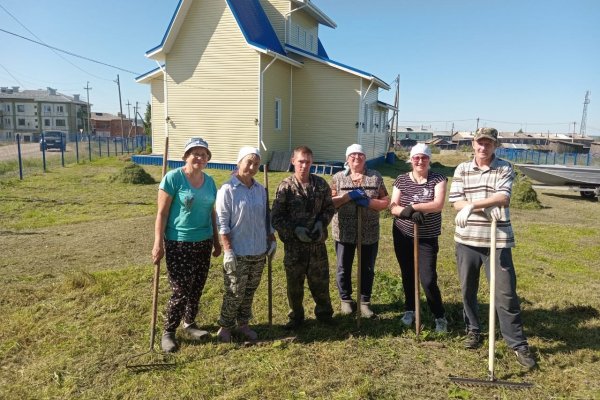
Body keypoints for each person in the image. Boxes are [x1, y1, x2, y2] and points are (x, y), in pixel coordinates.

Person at [449, 127, 536, 369]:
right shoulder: (462, 169)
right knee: (468, 289)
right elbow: (456, 201)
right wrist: (474, 207)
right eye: (479, 143)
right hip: (467, 239)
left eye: (488, 143)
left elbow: (503, 197)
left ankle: (517, 344)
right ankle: (473, 330)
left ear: (495, 145)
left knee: (505, 293)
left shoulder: (505, 167)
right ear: (473, 144)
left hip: (497, 240)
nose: (483, 147)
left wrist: (473, 204)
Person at [152, 137, 222, 353]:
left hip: (203, 241)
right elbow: (162, 214)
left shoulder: (209, 181)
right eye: (195, 153)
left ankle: (189, 323)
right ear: (186, 156)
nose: (199, 157)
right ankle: (168, 331)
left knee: (197, 286)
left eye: (203, 154)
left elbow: (213, 212)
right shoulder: (173, 178)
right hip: (178, 241)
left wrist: (216, 240)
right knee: (180, 289)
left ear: (208, 158)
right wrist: (158, 244)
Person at [215, 147, 276, 342]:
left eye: (256, 164)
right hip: (238, 251)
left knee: (249, 291)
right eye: (248, 162)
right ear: (239, 163)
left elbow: (266, 217)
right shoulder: (228, 189)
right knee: (234, 291)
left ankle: (243, 325)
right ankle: (225, 327)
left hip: (258, 250)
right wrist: (228, 251)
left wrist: (272, 239)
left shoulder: (260, 189)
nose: (252, 167)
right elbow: (222, 223)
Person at [271, 146, 336, 329]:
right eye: (301, 161)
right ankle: (296, 318)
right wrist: (294, 230)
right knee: (294, 285)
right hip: (294, 248)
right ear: (293, 161)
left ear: (312, 163)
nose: (304, 165)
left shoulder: (321, 184)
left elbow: (329, 208)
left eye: (308, 162)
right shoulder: (285, 187)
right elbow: (276, 217)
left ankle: (324, 315)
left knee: (321, 283)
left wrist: (321, 223)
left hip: (317, 246)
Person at [389, 143, 448, 332]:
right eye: (416, 158)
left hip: (427, 236)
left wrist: (414, 208)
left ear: (429, 159)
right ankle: (410, 309)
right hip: (403, 234)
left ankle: (439, 316)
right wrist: (405, 213)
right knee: (407, 274)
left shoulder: (438, 178)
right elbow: (393, 206)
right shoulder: (401, 180)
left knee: (428, 279)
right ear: (411, 160)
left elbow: (438, 204)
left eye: (424, 157)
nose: (420, 161)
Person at [330, 144, 389, 318]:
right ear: (347, 159)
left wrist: (369, 203)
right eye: (353, 155)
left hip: (368, 231)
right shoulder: (338, 178)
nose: (357, 158)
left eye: (360, 155)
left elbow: (385, 202)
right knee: (343, 266)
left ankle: (364, 302)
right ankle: (346, 299)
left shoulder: (375, 177)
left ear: (365, 158)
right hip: (343, 231)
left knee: (367, 267)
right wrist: (347, 197)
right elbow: (331, 202)